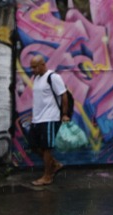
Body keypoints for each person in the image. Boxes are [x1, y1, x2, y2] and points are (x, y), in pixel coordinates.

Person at [28, 56, 73, 186]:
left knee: (47, 148)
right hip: (38, 118)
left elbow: (63, 95)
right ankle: (54, 164)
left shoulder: (53, 77)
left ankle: (47, 176)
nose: (33, 69)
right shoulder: (36, 78)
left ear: (43, 64)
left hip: (50, 117)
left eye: (35, 67)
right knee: (33, 145)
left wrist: (64, 114)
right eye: (31, 67)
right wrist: (33, 115)